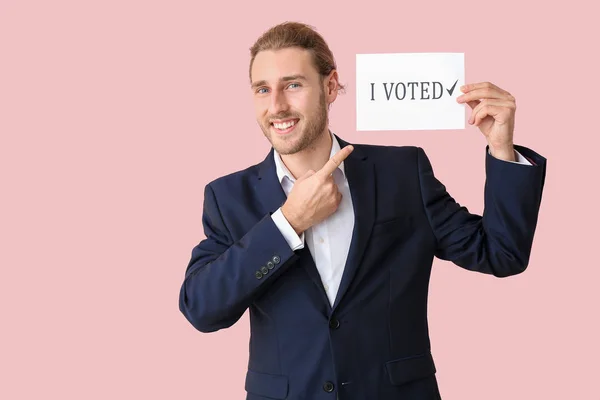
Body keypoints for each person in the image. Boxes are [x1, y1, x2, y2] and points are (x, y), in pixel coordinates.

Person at [178, 21, 547, 400]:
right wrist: (289, 223)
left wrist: (502, 148)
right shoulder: (228, 197)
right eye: (262, 89)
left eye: (293, 85)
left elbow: (502, 253)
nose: (277, 106)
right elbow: (202, 309)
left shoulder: (403, 173)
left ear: (331, 86)